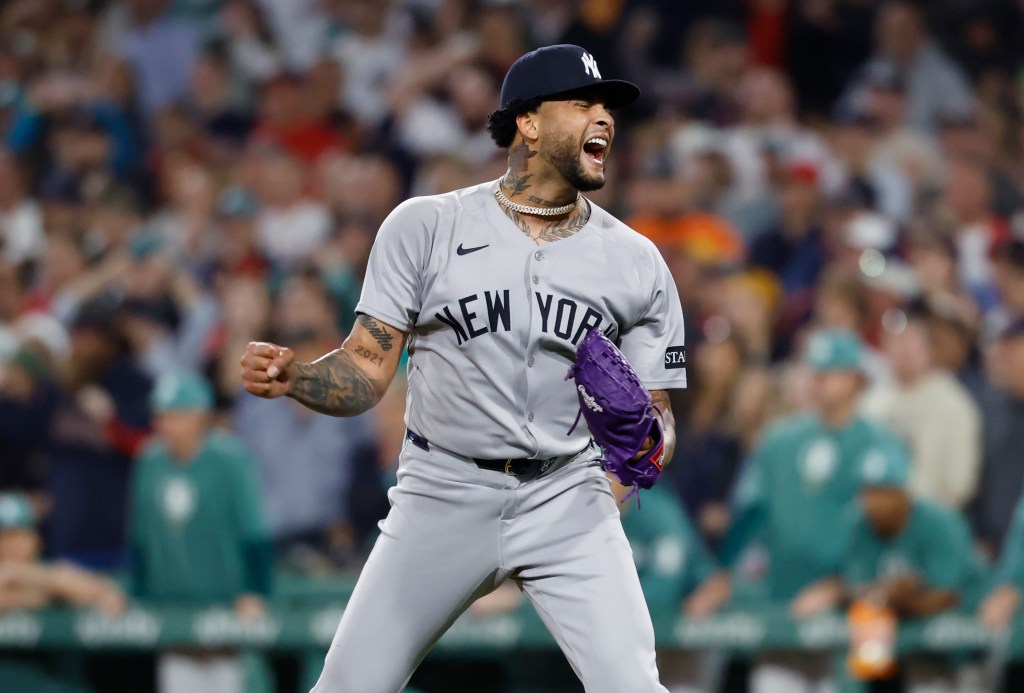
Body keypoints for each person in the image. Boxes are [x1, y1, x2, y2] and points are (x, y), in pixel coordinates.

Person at [240, 44, 687, 692]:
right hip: (443, 489)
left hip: (568, 494)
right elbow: (366, 369)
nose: (604, 118)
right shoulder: (426, 227)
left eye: (607, 107)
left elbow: (659, 416)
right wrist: (299, 379)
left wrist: (646, 445)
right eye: (582, 103)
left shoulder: (637, 261)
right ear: (528, 123)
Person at [720, 328, 905, 693]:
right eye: (815, 372)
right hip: (783, 606)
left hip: (859, 612)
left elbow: (894, 533)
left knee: (864, 683)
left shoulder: (882, 444)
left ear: (856, 379)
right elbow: (749, 524)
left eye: (830, 372)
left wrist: (840, 587)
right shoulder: (778, 442)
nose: (819, 381)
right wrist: (739, 581)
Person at [797, 440, 988, 693]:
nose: (874, 503)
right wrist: (861, 592)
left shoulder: (940, 522)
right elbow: (861, 589)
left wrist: (900, 598)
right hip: (904, 647)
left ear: (903, 492)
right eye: (868, 493)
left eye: (883, 492)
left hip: (966, 647)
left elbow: (946, 596)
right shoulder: (859, 526)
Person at [129, 370, 272, 693]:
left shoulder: (230, 459)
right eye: (162, 416)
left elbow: (254, 532)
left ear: (200, 417)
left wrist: (256, 591)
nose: (166, 425)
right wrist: (139, 595)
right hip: (172, 615)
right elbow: (140, 537)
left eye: (176, 416)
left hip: (228, 613)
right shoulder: (149, 462)